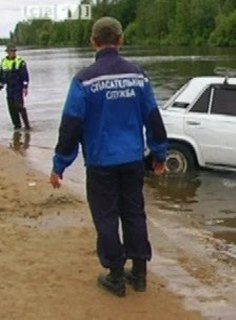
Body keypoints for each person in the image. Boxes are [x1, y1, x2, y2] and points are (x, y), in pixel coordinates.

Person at [49, 16, 168, 297]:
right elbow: (153, 118)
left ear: (93, 42)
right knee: (134, 213)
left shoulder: (84, 80)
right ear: (121, 40)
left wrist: (59, 165)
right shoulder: (138, 76)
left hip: (101, 163)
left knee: (106, 217)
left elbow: (70, 126)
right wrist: (160, 154)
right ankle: (139, 274)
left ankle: (116, 276)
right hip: (132, 161)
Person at [0, 44, 31, 130]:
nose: (11, 53)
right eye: (10, 51)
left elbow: (25, 75)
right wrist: (1, 84)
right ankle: (17, 126)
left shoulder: (20, 61)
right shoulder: (3, 62)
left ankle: (27, 126)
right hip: (9, 88)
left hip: (18, 87)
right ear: (7, 52)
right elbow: (2, 75)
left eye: (13, 51)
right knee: (11, 108)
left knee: (19, 106)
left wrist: (25, 87)